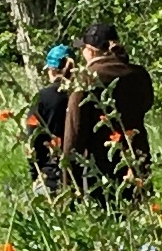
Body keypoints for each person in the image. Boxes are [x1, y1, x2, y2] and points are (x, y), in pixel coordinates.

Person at [62, 23, 156, 202]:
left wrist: (69, 183)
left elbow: (74, 134)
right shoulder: (139, 74)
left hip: (100, 171)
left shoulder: (85, 79)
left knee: (109, 221)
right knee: (140, 216)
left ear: (90, 51)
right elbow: (146, 104)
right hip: (137, 158)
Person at [24, 43, 77, 195]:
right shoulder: (84, 95)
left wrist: (35, 175)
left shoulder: (42, 98)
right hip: (83, 176)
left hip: (52, 176)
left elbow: (33, 139)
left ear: (52, 70)